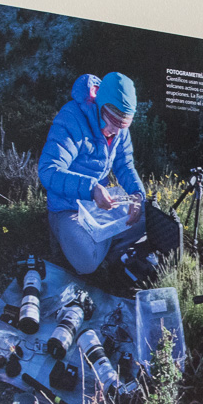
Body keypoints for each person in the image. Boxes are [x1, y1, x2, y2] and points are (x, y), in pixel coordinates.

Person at [38, 71, 146, 276]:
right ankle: (102, 242)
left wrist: (137, 195)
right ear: (100, 106)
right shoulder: (71, 119)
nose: (115, 131)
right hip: (68, 208)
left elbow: (125, 165)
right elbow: (48, 171)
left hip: (98, 207)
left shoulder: (119, 129)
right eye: (112, 123)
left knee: (148, 214)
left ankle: (103, 239)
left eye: (123, 126)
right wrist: (91, 188)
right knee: (86, 262)